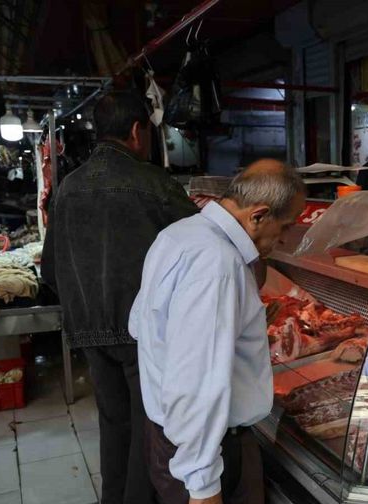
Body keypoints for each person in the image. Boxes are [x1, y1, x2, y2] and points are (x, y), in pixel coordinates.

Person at [42, 90, 198, 504]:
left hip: (87, 328)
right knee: (148, 425)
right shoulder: (153, 183)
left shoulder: (68, 187)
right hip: (142, 330)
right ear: (136, 130)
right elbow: (204, 249)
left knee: (113, 421)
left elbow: (50, 269)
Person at [129, 160, 306, 504]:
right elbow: (195, 384)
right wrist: (203, 486)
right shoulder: (218, 264)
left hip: (172, 438)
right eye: (285, 226)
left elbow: (140, 324)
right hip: (209, 452)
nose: (284, 239)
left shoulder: (178, 234)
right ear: (259, 215)